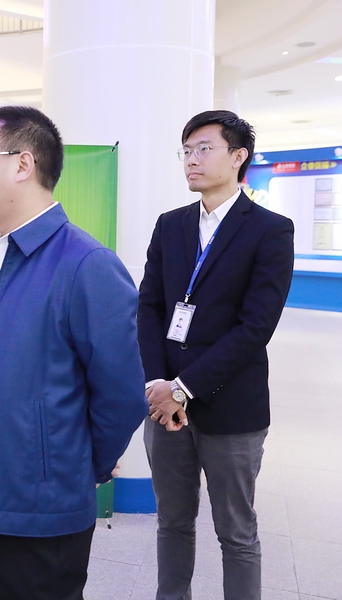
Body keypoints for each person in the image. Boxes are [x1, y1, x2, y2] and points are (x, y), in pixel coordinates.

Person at [0, 105, 147, 600]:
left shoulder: (87, 264)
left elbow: (122, 395)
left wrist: (69, 468)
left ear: (23, 163)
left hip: (33, 496)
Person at [138, 110, 294, 600]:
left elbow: (255, 328)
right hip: (164, 406)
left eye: (204, 149)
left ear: (238, 156)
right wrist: (157, 384)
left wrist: (183, 388)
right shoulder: (171, 225)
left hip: (231, 408)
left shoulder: (270, 229)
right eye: (186, 151)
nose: (192, 160)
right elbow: (149, 307)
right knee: (172, 522)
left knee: (236, 532)